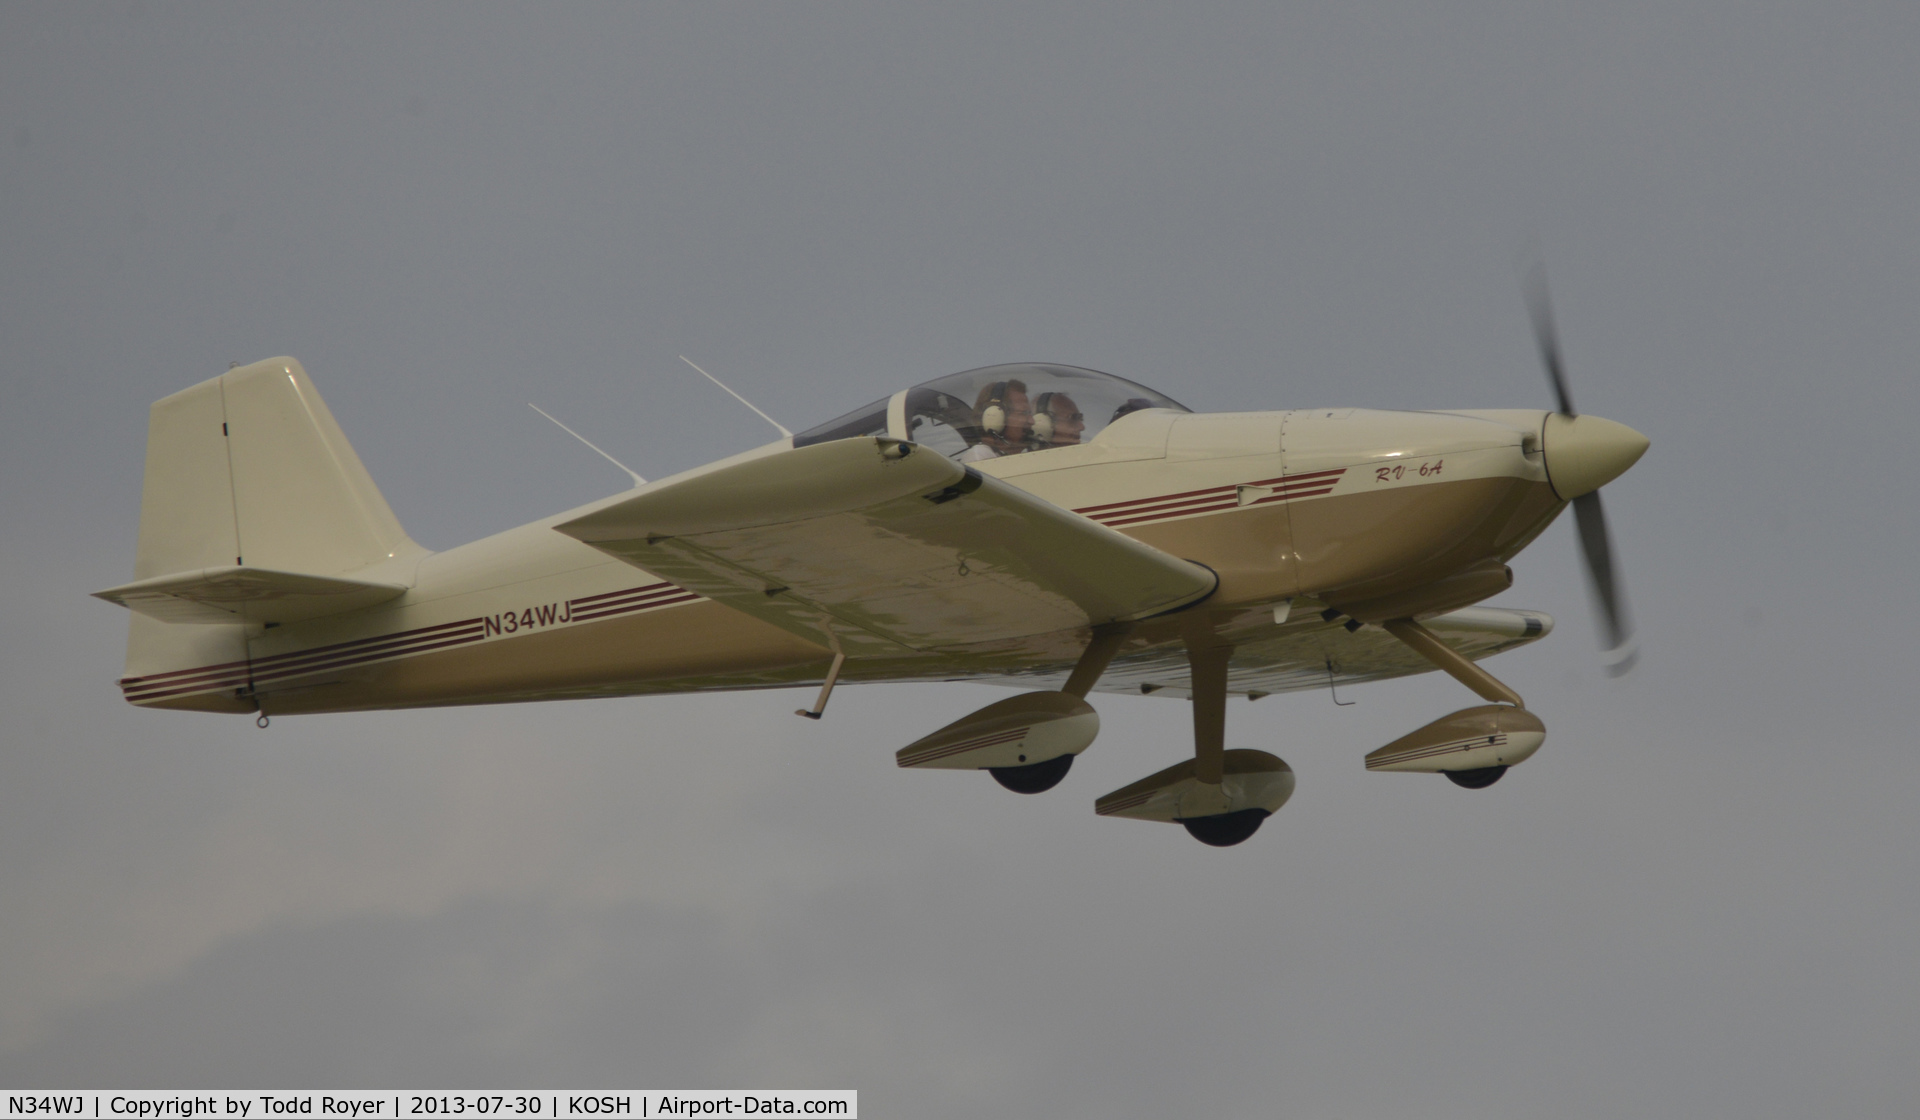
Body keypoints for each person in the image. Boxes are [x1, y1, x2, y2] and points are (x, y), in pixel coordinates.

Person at [960, 379, 1032, 461]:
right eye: (1023, 413)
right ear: (996, 417)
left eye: (1030, 413)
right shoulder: (980, 457)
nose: (1032, 421)